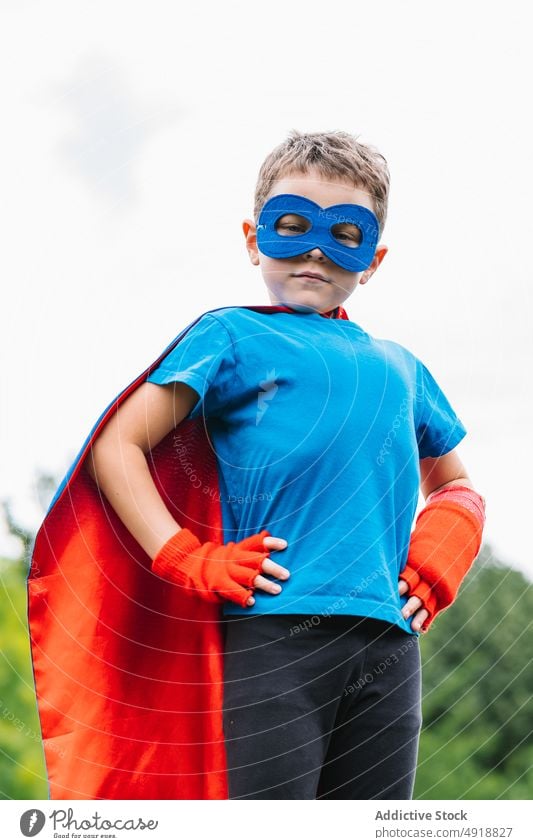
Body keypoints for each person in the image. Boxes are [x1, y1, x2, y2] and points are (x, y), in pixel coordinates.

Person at [28, 130, 485, 801]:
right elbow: (116, 446)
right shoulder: (231, 334)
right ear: (252, 237)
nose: (312, 249)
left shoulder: (403, 367)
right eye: (291, 225)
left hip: (389, 648)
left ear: (374, 257)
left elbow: (455, 481)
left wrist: (452, 532)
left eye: (343, 233)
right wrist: (184, 553)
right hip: (269, 635)